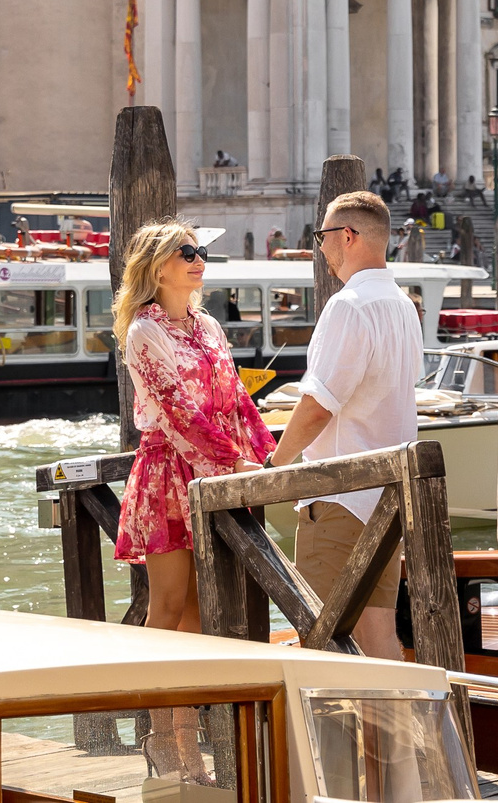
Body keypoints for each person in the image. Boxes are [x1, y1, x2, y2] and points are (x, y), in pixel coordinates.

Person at [113, 221, 272, 782]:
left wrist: (267, 456)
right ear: (158, 267)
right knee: (168, 609)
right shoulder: (142, 333)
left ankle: (189, 748)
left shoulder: (207, 326)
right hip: (169, 476)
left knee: (204, 616)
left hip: (218, 473)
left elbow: (235, 401)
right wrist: (237, 463)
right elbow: (180, 413)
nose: (199, 259)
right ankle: (166, 742)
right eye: (187, 253)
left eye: (201, 251)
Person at [266, 188, 421, 661]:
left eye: (322, 236)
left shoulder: (348, 306)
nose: (321, 247)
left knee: (324, 642)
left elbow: (318, 405)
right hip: (385, 498)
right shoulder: (403, 306)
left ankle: (340, 740)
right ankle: (399, 739)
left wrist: (274, 465)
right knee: (378, 636)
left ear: (348, 235)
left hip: (338, 498)